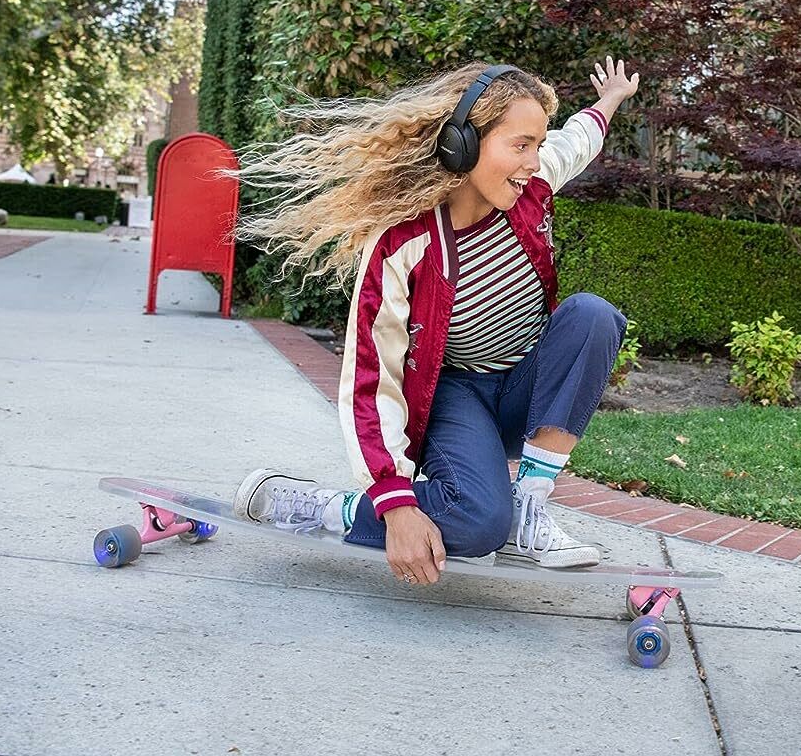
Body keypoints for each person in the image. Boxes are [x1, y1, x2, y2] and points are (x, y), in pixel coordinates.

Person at [229, 56, 641, 585]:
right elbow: (371, 380)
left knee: (592, 316)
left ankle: (532, 508)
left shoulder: (531, 188)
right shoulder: (403, 244)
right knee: (476, 522)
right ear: (462, 144)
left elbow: (576, 140)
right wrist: (395, 504)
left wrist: (609, 100)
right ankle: (329, 508)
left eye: (537, 145)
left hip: (522, 388)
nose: (535, 161)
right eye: (520, 145)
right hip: (454, 398)